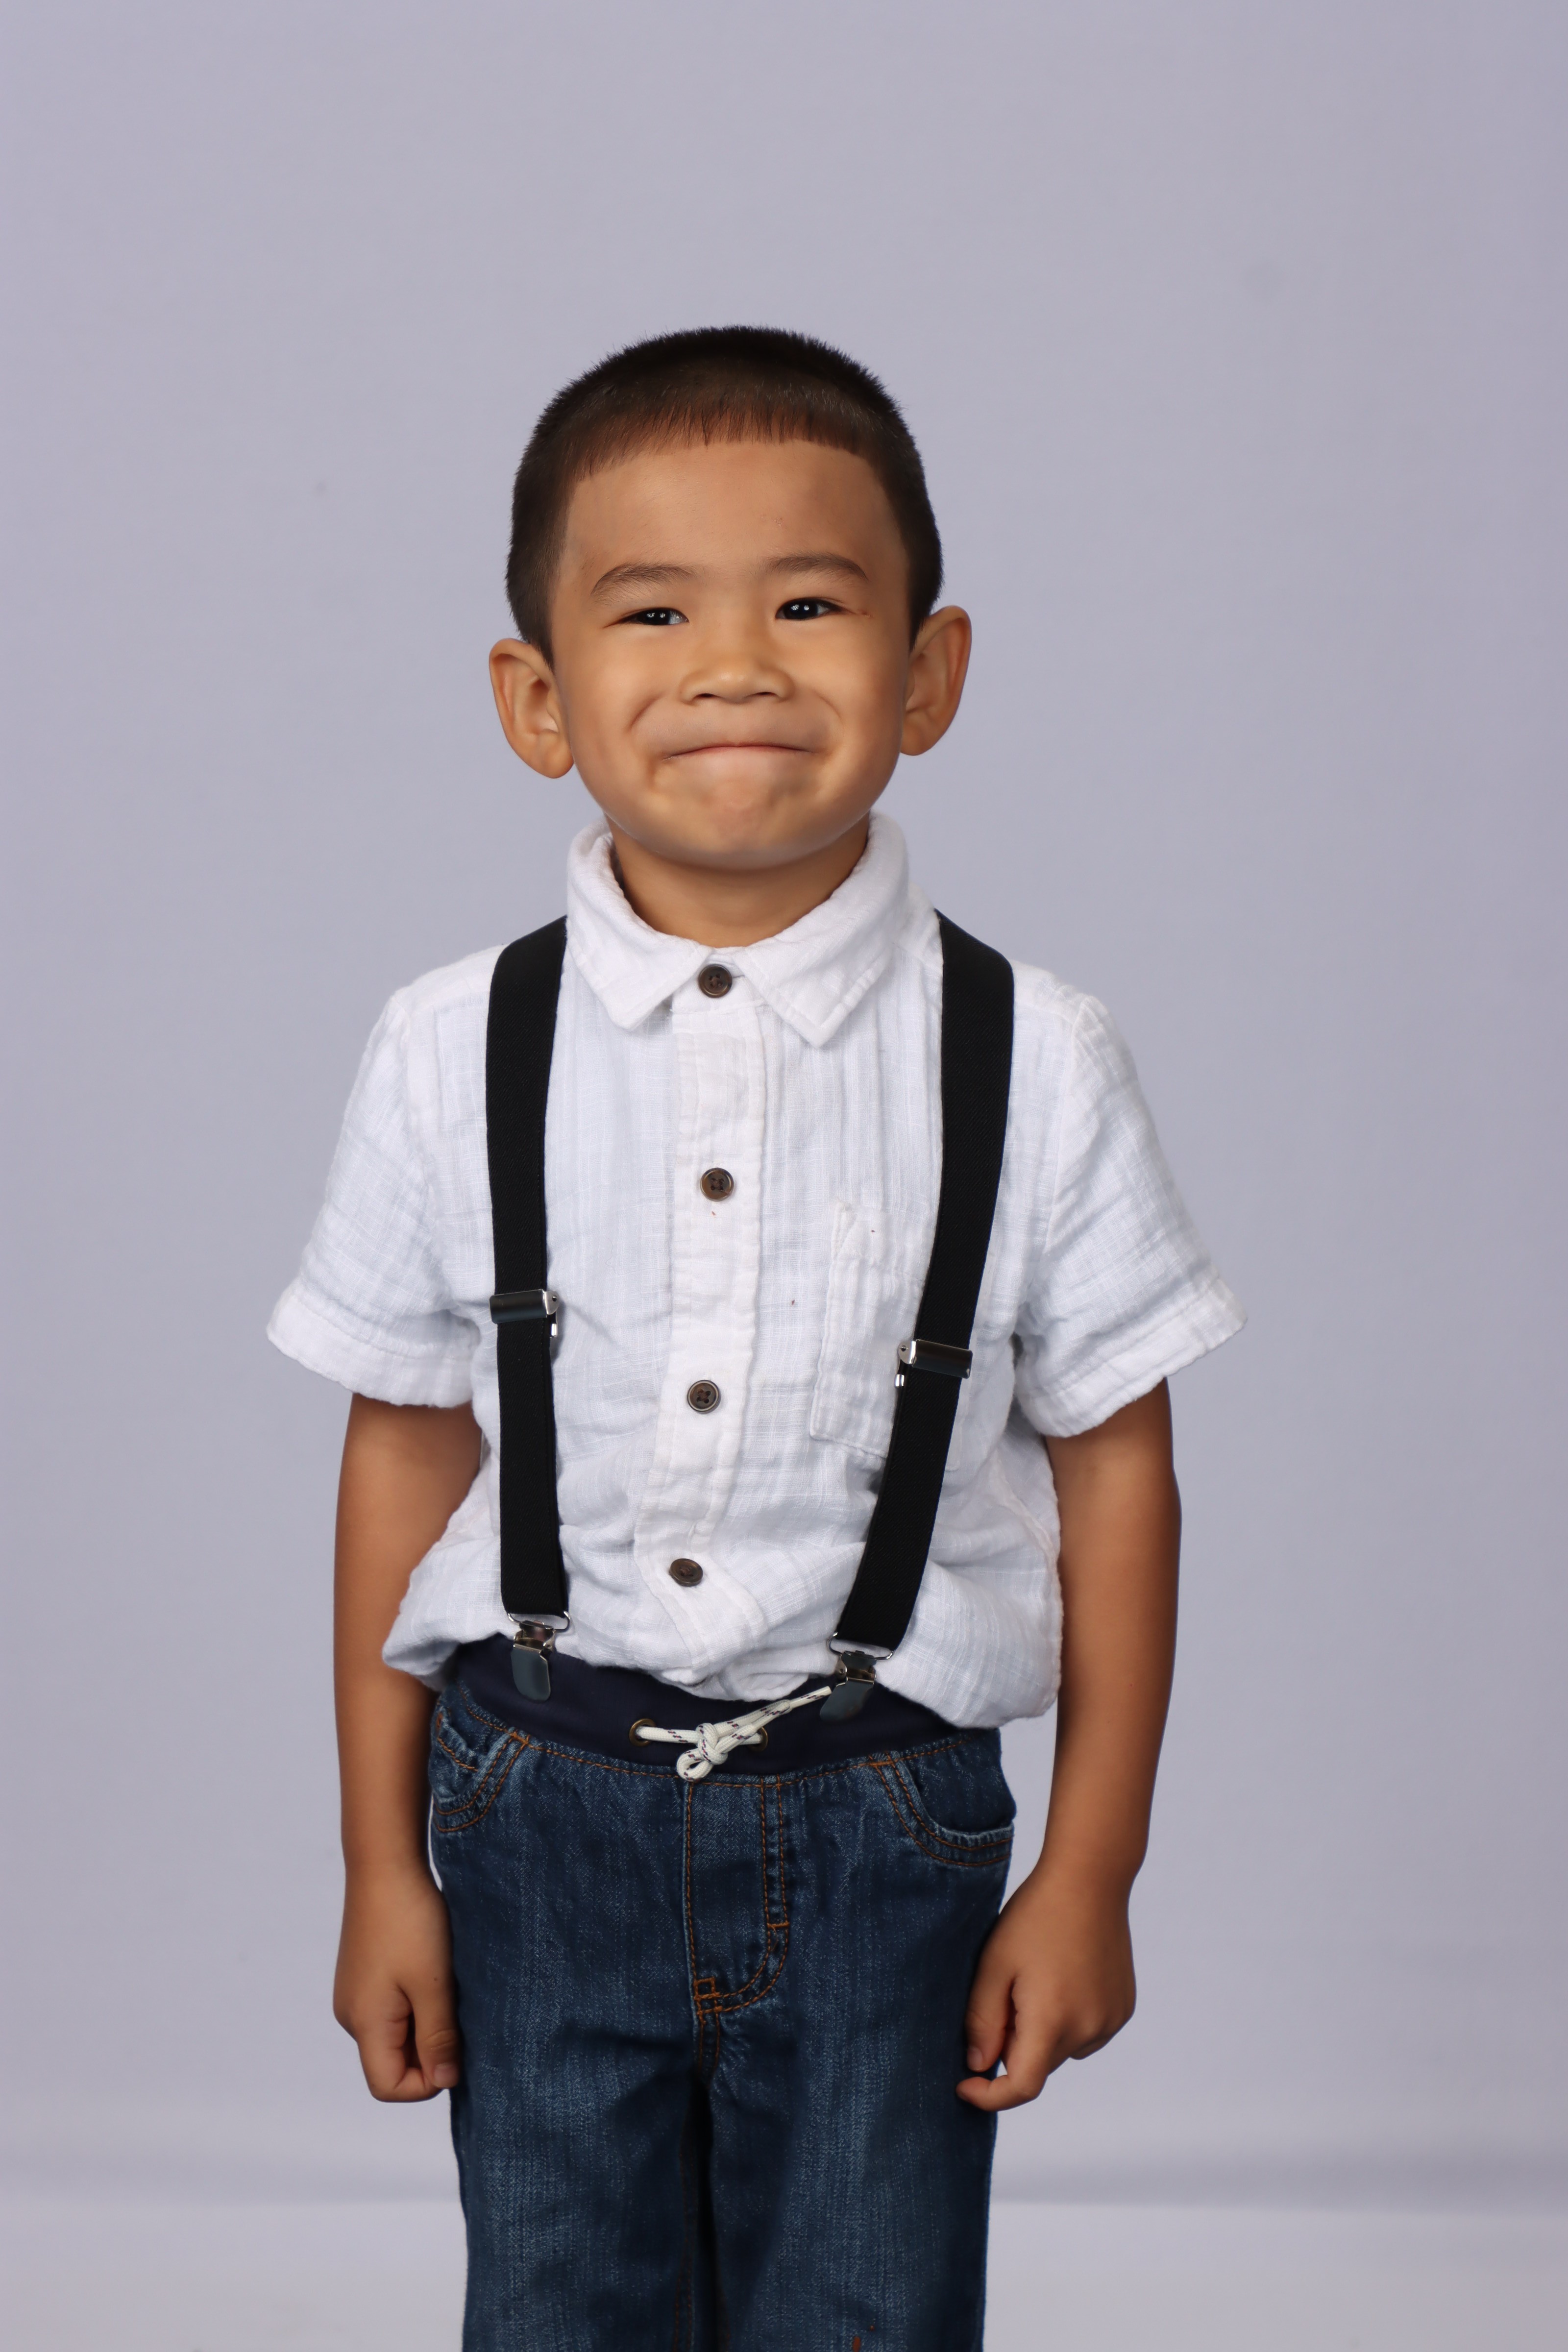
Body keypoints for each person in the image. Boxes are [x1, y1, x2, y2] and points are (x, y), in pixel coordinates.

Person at [269, 325, 1244, 2351]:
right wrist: (380, 1866)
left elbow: (1119, 1472)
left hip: (889, 1813)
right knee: (558, 2311)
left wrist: (1092, 1871)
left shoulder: (1037, 1058)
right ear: (538, 699)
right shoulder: (449, 1047)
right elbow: (402, 1452)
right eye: (652, 611)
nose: (732, 664)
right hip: (533, 1803)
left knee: (871, 2313)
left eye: (807, 603)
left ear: (927, 674)